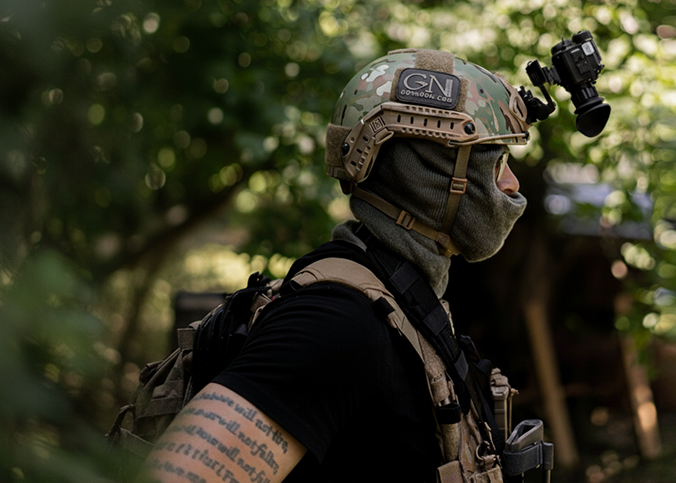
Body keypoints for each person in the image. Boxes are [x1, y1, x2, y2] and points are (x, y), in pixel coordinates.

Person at [139, 48, 532, 483]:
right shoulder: (335, 324)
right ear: (425, 174)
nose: (511, 184)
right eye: (495, 163)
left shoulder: (401, 304)